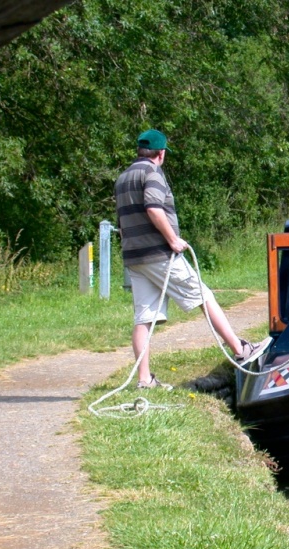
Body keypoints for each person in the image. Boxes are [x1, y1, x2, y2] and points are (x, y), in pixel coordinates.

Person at [115, 129, 261, 389]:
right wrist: (172, 239)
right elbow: (153, 208)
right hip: (159, 254)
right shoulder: (152, 173)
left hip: (134, 257)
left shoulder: (123, 177)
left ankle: (144, 380)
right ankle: (241, 350)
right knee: (203, 296)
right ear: (161, 153)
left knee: (144, 318)